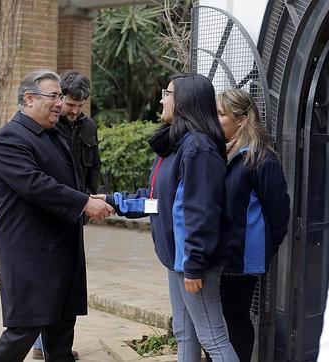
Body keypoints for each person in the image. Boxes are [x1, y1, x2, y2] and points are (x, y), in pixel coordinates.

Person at [100, 74, 238, 362]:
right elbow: (158, 201)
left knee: (213, 337)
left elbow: (202, 211)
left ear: (185, 100)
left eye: (168, 93)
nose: (162, 99)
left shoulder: (198, 147)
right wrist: (115, 201)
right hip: (178, 260)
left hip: (191, 262)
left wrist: (194, 265)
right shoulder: (176, 145)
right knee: (185, 333)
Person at [0, 69, 113, 362]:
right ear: (29, 99)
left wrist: (89, 198)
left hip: (62, 248)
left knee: (61, 331)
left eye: (60, 96)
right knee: (24, 330)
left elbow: (67, 181)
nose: (60, 103)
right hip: (31, 252)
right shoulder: (10, 139)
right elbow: (36, 185)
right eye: (54, 96)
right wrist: (83, 203)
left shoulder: (52, 134)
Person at [215, 89, 290, 361]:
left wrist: (264, 247)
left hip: (241, 259)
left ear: (243, 119)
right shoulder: (220, 152)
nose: (215, 119)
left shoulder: (262, 159)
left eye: (221, 114)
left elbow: (279, 214)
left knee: (235, 320)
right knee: (216, 325)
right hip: (217, 255)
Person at [31, 70, 100, 360]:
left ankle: (58, 346)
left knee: (69, 284)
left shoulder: (88, 127)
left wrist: (94, 198)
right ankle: (39, 344)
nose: (73, 110)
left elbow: (93, 166)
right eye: (70, 103)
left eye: (79, 105)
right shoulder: (47, 126)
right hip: (50, 213)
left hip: (78, 211)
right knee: (45, 283)